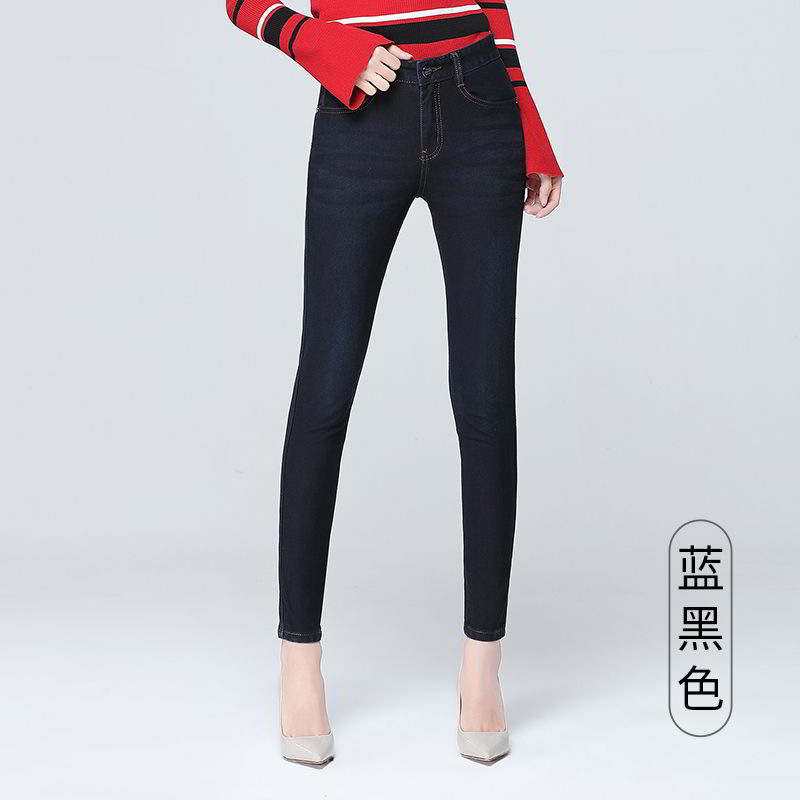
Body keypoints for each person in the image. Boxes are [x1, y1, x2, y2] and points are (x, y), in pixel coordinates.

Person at [224, 0, 562, 764]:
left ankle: (483, 667)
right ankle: (299, 664)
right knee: (325, 390)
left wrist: (528, 121)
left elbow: (490, 9)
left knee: (485, 398)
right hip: (360, 113)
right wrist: (322, 45)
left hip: (480, 104)